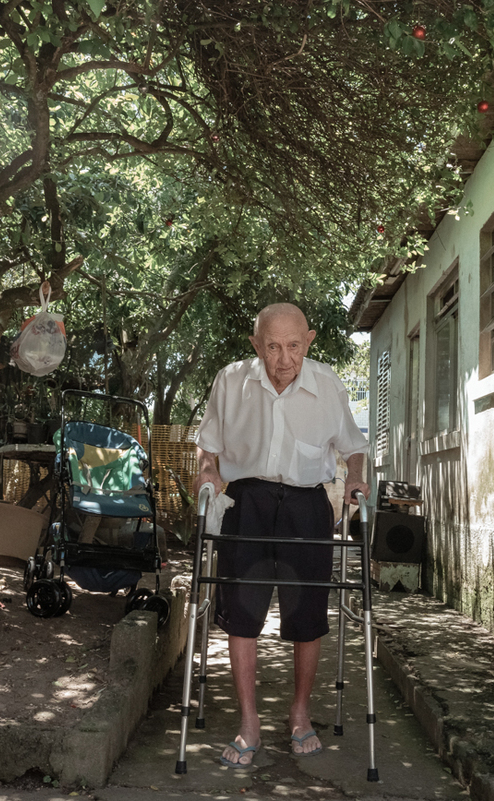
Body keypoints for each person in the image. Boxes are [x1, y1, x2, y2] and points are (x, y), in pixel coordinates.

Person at [194, 302, 369, 768]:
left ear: (309, 341)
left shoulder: (328, 384)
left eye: (294, 345)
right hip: (246, 503)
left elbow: (354, 449)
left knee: (306, 614)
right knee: (241, 614)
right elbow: (207, 449)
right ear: (256, 345)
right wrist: (207, 474)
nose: (284, 358)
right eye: (272, 346)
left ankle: (299, 713)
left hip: (307, 506)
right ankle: (248, 723)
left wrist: (355, 477)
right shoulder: (230, 381)